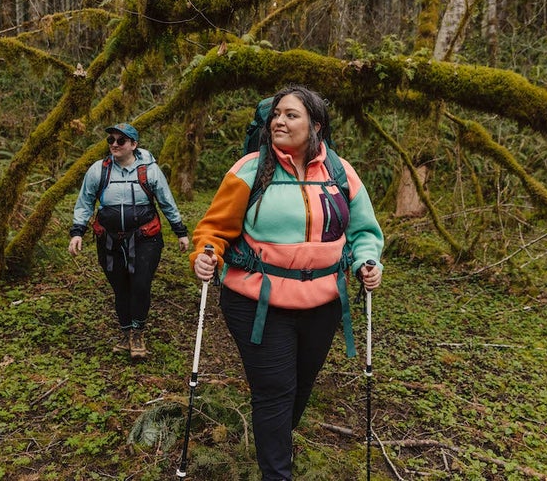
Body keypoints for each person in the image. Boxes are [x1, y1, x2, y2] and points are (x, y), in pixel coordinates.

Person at [190, 86, 383, 480]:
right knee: (276, 389)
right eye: (276, 114)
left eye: (291, 115)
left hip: (324, 303)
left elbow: (364, 230)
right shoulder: (249, 169)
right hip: (259, 301)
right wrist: (206, 254)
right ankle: (277, 472)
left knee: (298, 389)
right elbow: (214, 229)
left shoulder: (340, 172)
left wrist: (367, 260)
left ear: (316, 125)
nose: (279, 121)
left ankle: (272, 436)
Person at [68, 123, 190, 360]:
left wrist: (180, 231)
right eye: (111, 140)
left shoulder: (150, 171)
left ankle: (138, 332)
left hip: (145, 237)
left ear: (133, 145)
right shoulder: (98, 170)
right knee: (120, 286)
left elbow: (166, 201)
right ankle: (126, 333)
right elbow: (85, 202)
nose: (114, 144)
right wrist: (77, 232)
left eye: (121, 141)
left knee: (141, 284)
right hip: (109, 239)